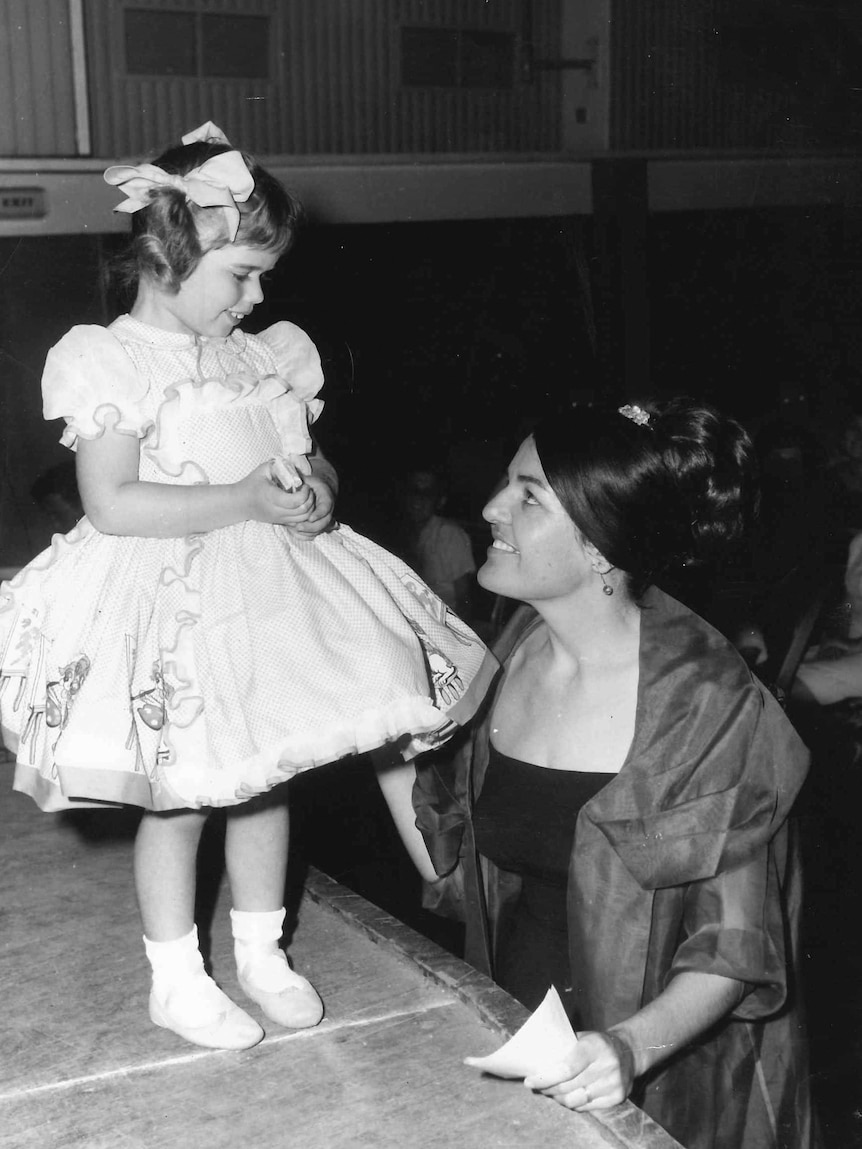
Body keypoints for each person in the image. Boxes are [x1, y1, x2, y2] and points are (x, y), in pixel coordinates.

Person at [0, 122, 495, 1053]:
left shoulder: (262, 354)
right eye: (241, 275)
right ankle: (176, 975)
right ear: (165, 252)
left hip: (268, 593)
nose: (258, 295)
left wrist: (314, 497)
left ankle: (262, 950)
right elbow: (112, 502)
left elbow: (307, 460)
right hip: (169, 595)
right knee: (183, 793)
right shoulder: (109, 360)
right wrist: (239, 496)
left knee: (269, 780)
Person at [407, 399, 816, 1149]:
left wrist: (626, 1047)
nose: (493, 506)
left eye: (529, 495)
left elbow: (734, 946)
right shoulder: (512, 651)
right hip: (519, 1039)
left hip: (666, 1073)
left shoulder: (707, 704)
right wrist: (375, 738)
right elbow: (455, 874)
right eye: (507, 481)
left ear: (599, 547)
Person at [396, 467, 477, 618]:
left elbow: (463, 598)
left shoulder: (450, 534)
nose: (418, 499)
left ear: (439, 501)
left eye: (427, 494)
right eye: (414, 491)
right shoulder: (403, 531)